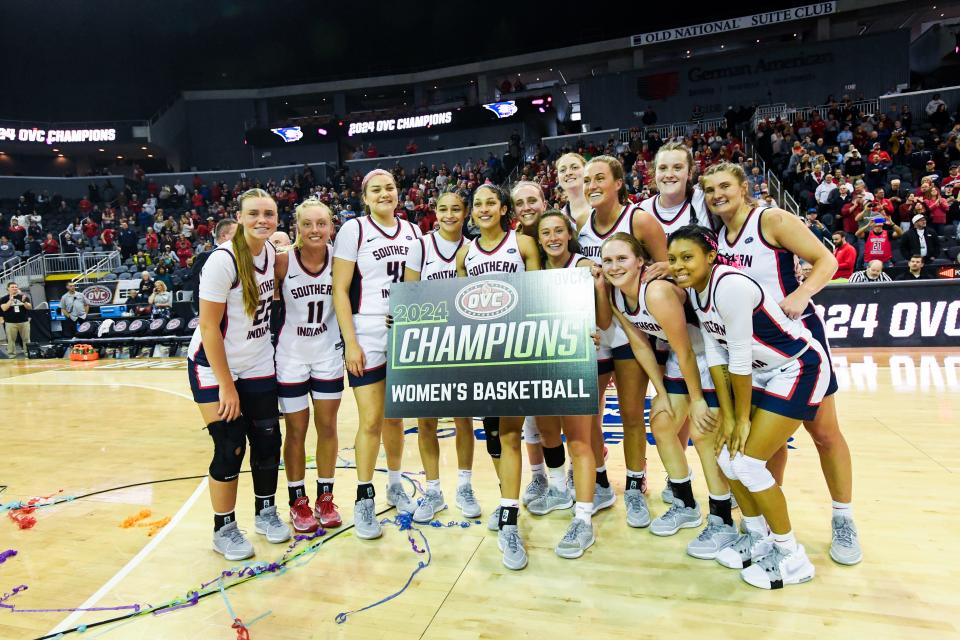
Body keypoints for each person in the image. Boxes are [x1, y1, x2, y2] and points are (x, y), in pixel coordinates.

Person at [703, 162, 861, 566]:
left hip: (798, 340)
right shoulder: (718, 237)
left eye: (725, 186)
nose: (717, 194)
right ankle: (772, 524)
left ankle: (844, 518)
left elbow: (826, 260)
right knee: (767, 442)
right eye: (709, 189)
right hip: (756, 350)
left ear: (743, 188)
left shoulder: (770, 219)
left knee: (824, 433)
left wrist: (803, 294)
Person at [669, 224, 829, 589]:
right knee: (727, 459)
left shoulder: (731, 286)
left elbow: (739, 357)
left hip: (797, 366)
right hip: (762, 373)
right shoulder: (696, 291)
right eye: (674, 258)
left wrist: (740, 419)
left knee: (748, 463)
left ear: (711, 256)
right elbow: (715, 354)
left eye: (687, 257)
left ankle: (791, 556)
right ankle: (759, 539)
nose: (678, 265)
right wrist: (727, 416)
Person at [602, 232, 741, 559]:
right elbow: (639, 344)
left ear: (640, 262)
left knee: (703, 431)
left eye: (622, 258)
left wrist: (695, 399)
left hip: (710, 352)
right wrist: (661, 391)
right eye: (608, 260)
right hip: (682, 357)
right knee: (662, 423)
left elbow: (686, 348)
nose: (614, 266)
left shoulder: (659, 291)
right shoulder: (616, 295)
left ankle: (722, 517)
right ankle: (684, 502)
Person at [186, 187, 290, 562]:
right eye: (254, 214)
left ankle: (265, 512)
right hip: (214, 367)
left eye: (269, 213)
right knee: (230, 447)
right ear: (240, 218)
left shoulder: (274, 255)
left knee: (267, 443)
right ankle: (223, 528)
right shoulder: (222, 261)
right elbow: (210, 328)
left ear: (277, 219)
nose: (262, 220)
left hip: (258, 362)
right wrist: (227, 387)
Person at [577, 154, 668, 530]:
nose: (592, 185)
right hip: (595, 332)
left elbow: (666, 269)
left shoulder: (640, 219)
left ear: (618, 182)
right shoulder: (582, 223)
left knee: (632, 415)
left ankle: (634, 483)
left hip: (634, 329)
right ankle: (598, 479)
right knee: (590, 416)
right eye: (587, 180)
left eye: (599, 178)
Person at [332, 169, 421, 541]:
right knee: (371, 420)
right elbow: (340, 289)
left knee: (396, 419)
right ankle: (364, 497)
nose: (384, 194)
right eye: (376, 190)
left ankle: (395, 484)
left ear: (398, 193)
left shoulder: (413, 231)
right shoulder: (354, 230)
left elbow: (418, 287)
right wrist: (350, 341)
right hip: (367, 331)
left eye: (390, 188)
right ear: (365, 197)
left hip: (402, 330)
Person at [455, 183, 540, 569]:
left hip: (517, 347)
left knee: (509, 432)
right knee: (493, 434)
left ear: (504, 208)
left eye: (491, 202)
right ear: (472, 213)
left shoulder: (522, 245)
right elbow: (456, 306)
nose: (484, 209)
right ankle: (509, 497)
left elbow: (542, 294)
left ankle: (509, 517)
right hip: (481, 352)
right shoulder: (465, 254)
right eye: (478, 204)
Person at [402, 189, 481, 523]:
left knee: (464, 418)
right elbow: (410, 293)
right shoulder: (420, 246)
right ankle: (433, 490)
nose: (449, 215)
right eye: (443, 209)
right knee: (426, 421)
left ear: (466, 213)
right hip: (428, 342)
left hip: (464, 341)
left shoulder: (475, 249)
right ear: (435, 211)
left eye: (456, 209)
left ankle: (464, 485)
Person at [533, 210, 607, 558]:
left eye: (558, 231)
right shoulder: (533, 271)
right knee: (548, 432)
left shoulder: (584, 267)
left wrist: (599, 292)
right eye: (546, 232)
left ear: (569, 233)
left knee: (579, 439)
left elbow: (604, 319)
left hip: (576, 360)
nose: (552, 237)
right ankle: (560, 489)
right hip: (538, 361)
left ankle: (583, 518)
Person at [275, 199, 344, 533]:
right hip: (290, 356)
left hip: (328, 352)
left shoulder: (341, 260)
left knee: (328, 427)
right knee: (296, 430)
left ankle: (326, 497)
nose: (315, 230)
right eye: (307, 224)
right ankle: (297, 500)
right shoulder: (283, 261)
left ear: (331, 226)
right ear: (297, 227)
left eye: (321, 223)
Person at [1, 282, 32, 358]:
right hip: (10, 323)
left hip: (24, 322)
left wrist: (24, 301)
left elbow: (29, 307)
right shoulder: (3, 298)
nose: (14, 288)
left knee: (26, 339)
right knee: (11, 340)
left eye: (16, 287)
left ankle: (28, 353)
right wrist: (10, 300)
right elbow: (4, 308)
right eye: (12, 287)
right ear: (8, 289)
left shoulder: (23, 297)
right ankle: (11, 355)